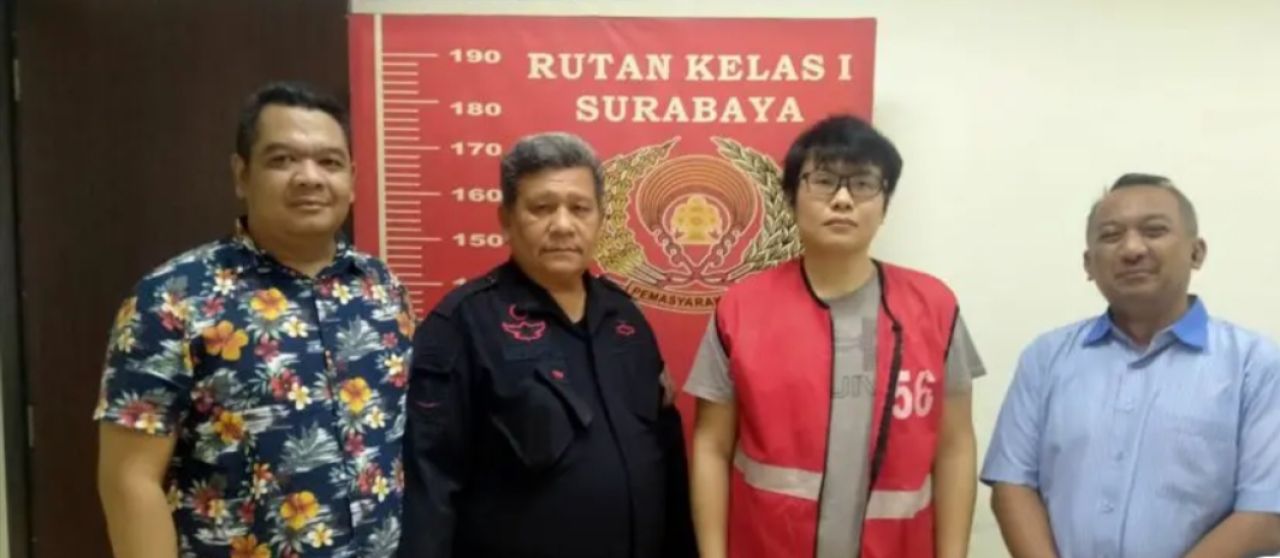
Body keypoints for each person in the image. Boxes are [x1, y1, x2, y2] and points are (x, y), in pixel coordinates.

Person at [95, 82, 415, 558]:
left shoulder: (383, 289)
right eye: (282, 159)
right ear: (242, 175)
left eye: (329, 162)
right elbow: (129, 480)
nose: (309, 178)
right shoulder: (172, 298)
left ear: (352, 179)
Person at [686, 115, 985, 558]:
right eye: (824, 181)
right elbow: (711, 445)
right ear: (792, 198)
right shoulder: (741, 309)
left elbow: (955, 446)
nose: (843, 200)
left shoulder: (935, 308)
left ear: (885, 205)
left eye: (863, 184)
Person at [398, 132, 696, 558]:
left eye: (579, 208)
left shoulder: (625, 318)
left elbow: (665, 455)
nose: (562, 225)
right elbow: (430, 483)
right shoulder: (463, 324)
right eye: (542, 208)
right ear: (506, 219)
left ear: (600, 219)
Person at [982, 173, 1280, 558]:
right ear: (1088, 264)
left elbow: (1267, 512)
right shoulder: (1046, 357)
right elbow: (1012, 485)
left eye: (1154, 231)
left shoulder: (1256, 365)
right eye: (1111, 236)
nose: (1132, 249)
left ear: (1196, 252)